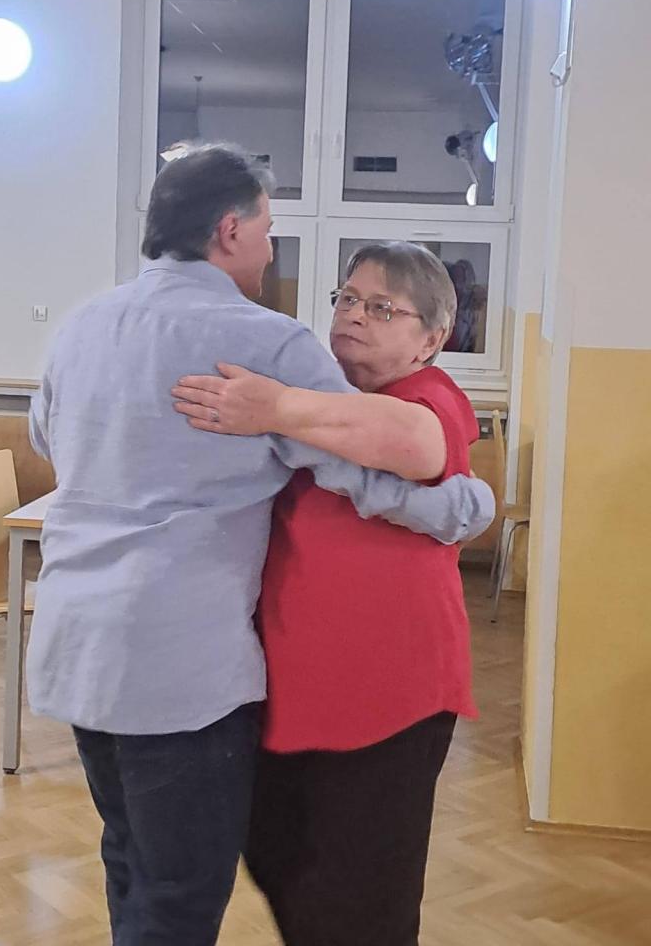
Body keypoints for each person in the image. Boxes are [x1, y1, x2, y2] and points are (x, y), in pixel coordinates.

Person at [26, 145, 495, 946]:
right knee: (178, 896)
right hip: (181, 666)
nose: (273, 249)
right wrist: (465, 505)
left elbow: (48, 441)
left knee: (130, 862)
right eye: (269, 228)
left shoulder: (81, 328)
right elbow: (364, 474)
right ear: (231, 229)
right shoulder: (265, 342)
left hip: (77, 646)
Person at [172, 240, 482, 946]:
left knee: (365, 895)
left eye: (383, 308)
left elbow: (419, 442)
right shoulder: (326, 402)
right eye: (347, 299)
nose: (354, 315)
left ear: (431, 339)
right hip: (289, 686)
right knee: (281, 859)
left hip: (390, 694)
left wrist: (274, 406)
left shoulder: (427, 396)